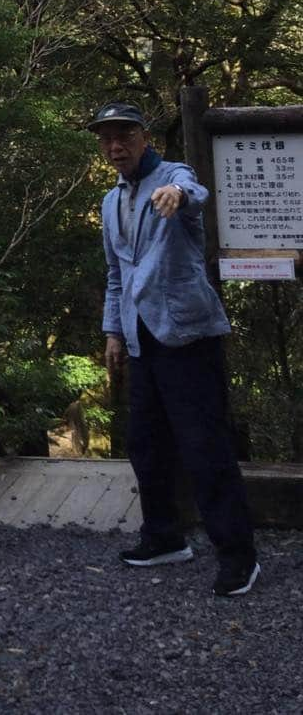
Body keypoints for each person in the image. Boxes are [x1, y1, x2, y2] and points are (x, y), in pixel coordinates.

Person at [92, 101, 259, 597]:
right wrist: (114, 332)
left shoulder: (172, 175)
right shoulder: (109, 201)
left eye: (124, 134)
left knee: (205, 447)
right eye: (106, 138)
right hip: (141, 340)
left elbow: (194, 189)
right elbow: (117, 273)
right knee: (145, 443)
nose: (115, 145)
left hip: (187, 336)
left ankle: (238, 556)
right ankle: (164, 536)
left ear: (144, 136)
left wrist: (176, 194)